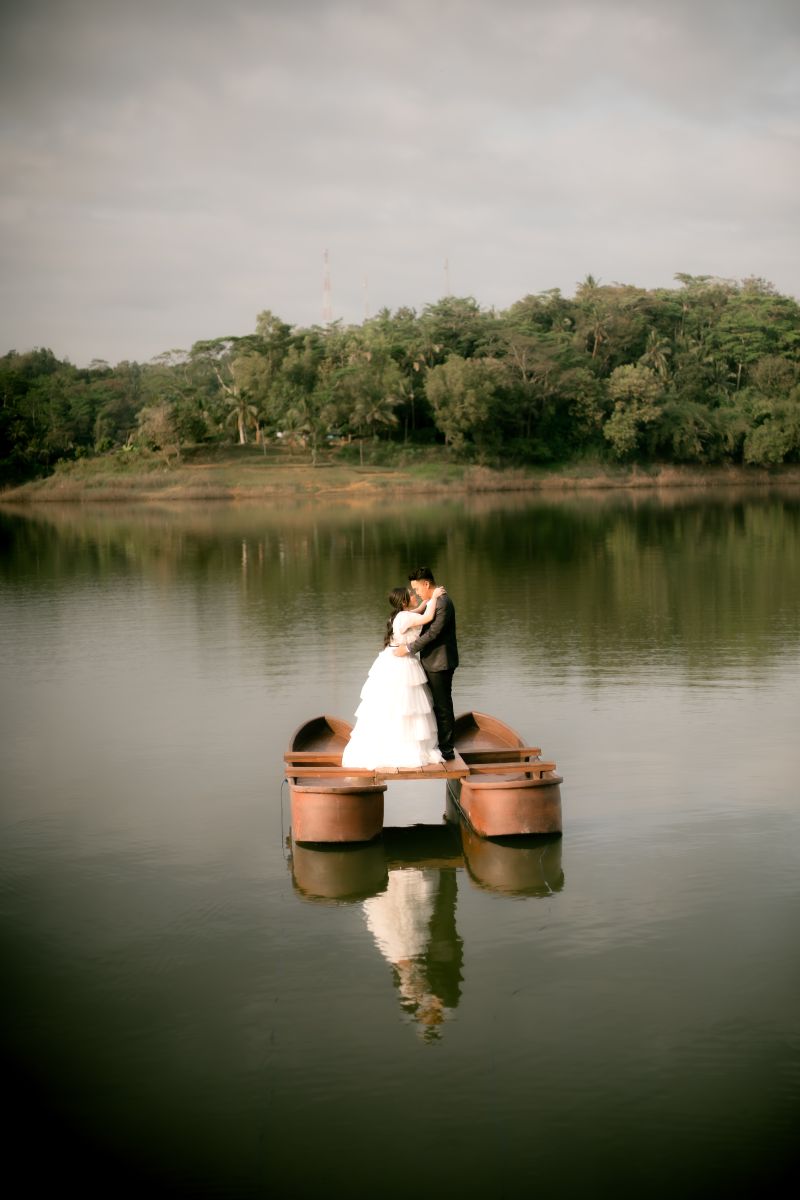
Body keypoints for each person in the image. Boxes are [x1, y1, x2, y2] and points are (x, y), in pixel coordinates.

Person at [341, 585, 446, 770]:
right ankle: (404, 745)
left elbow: (418, 611)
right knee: (406, 705)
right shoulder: (405, 617)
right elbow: (428, 617)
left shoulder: (400, 615)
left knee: (396, 704)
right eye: (411, 594)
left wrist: (425, 602)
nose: (414, 595)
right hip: (402, 661)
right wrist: (435, 596)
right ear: (404, 601)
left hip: (391, 658)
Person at [393, 566, 458, 760]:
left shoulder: (443, 602)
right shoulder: (431, 601)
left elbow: (433, 633)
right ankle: (437, 745)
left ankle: (447, 750)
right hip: (430, 661)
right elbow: (417, 615)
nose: (416, 593)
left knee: (442, 706)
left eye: (417, 589)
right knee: (432, 705)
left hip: (440, 663)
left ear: (427, 584)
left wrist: (408, 648)